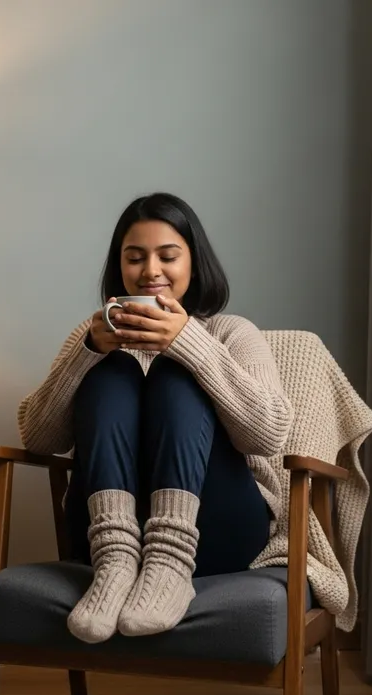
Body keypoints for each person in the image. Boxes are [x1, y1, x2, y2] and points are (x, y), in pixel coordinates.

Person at [17, 192, 294, 644]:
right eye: (134, 258)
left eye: (167, 256)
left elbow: (269, 434)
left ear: (193, 263)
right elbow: (38, 437)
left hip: (214, 527)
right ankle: (116, 561)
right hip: (105, 534)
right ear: (119, 266)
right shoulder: (95, 334)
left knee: (174, 372)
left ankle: (169, 561)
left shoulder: (232, 332)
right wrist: (87, 353)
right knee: (113, 370)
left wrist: (188, 343)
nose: (150, 271)